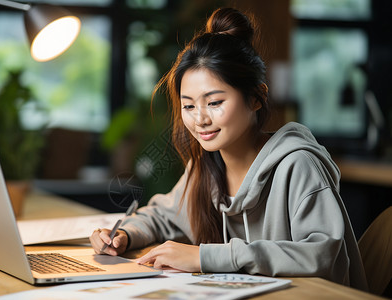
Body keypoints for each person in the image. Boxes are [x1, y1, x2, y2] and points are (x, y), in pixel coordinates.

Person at [90, 7, 368, 291]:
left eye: (214, 102)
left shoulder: (298, 164)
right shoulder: (206, 166)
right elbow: (162, 217)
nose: (200, 119)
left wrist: (206, 256)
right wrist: (125, 234)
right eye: (188, 106)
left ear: (256, 98)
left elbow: (320, 253)